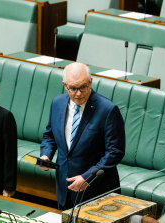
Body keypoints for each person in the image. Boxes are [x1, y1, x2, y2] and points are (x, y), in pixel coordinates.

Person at [40, 62, 125, 210]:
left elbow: (115, 151)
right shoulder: (57, 103)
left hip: (97, 191)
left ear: (91, 82)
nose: (78, 93)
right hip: (65, 186)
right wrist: (45, 156)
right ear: (65, 85)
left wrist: (88, 177)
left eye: (83, 87)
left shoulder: (108, 110)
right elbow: (50, 136)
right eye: (73, 88)